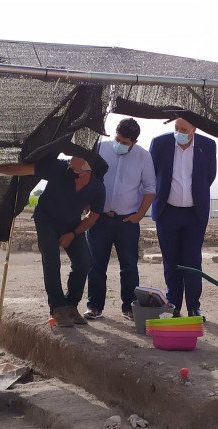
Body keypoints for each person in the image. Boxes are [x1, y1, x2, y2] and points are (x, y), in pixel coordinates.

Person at [0, 154, 105, 327]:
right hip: (46, 221)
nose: (70, 168)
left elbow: (93, 216)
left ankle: (70, 306)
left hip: (72, 225)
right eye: (70, 164)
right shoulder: (58, 167)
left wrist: (73, 234)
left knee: (84, 262)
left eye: (75, 168)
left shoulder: (97, 187)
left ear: (87, 171)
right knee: (51, 261)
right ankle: (57, 308)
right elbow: (22, 169)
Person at [85, 119, 156, 321]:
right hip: (99, 218)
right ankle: (94, 306)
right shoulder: (100, 148)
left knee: (129, 266)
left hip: (127, 221)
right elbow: (86, 177)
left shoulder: (143, 156)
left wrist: (140, 214)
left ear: (134, 141)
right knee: (96, 264)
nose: (120, 144)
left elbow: (150, 188)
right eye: (117, 139)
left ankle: (129, 307)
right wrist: (88, 207)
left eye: (125, 142)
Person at [150, 118, 217, 317]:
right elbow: (152, 173)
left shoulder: (207, 145)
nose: (179, 132)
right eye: (176, 128)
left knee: (192, 260)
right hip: (167, 211)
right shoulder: (160, 143)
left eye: (184, 129)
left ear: (194, 128)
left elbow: (209, 176)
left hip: (194, 213)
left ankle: (193, 305)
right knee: (171, 260)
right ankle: (173, 304)